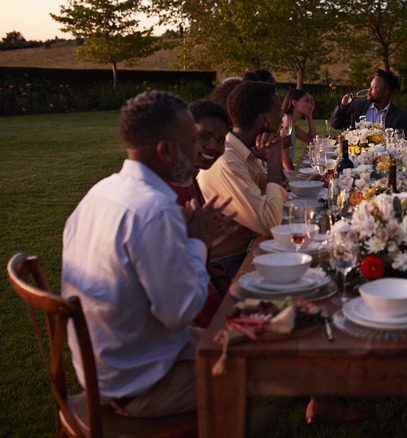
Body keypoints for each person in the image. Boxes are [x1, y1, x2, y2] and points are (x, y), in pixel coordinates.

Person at [61, 91, 284, 431]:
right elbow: (180, 312)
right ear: (165, 150)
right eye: (191, 140)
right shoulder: (154, 210)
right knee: (277, 376)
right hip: (140, 382)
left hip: (109, 362)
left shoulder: (101, 192)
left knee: (254, 338)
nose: (200, 149)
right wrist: (198, 243)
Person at [197, 81, 288, 277]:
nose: (282, 117)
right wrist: (274, 158)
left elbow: (279, 192)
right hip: (227, 265)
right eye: (278, 112)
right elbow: (269, 222)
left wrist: (272, 161)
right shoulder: (227, 160)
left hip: (250, 250)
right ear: (263, 119)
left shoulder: (244, 150)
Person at [168, 99, 232, 327]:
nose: (213, 147)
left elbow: (198, 262)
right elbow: (176, 282)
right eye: (203, 137)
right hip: (182, 322)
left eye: (220, 140)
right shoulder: (166, 193)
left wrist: (222, 282)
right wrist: (227, 314)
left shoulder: (189, 180)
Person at [329, 69, 407, 138]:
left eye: (374, 88)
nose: (369, 90)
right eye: (370, 87)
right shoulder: (355, 106)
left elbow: (405, 144)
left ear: (385, 93)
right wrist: (343, 106)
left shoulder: (401, 116)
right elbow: (335, 125)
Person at [280, 89, 317, 170]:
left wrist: (309, 115)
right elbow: (285, 159)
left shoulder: (292, 123)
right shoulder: (285, 123)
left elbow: (311, 141)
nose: (310, 105)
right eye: (307, 101)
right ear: (294, 103)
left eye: (311, 102)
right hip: (279, 174)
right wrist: (294, 177)